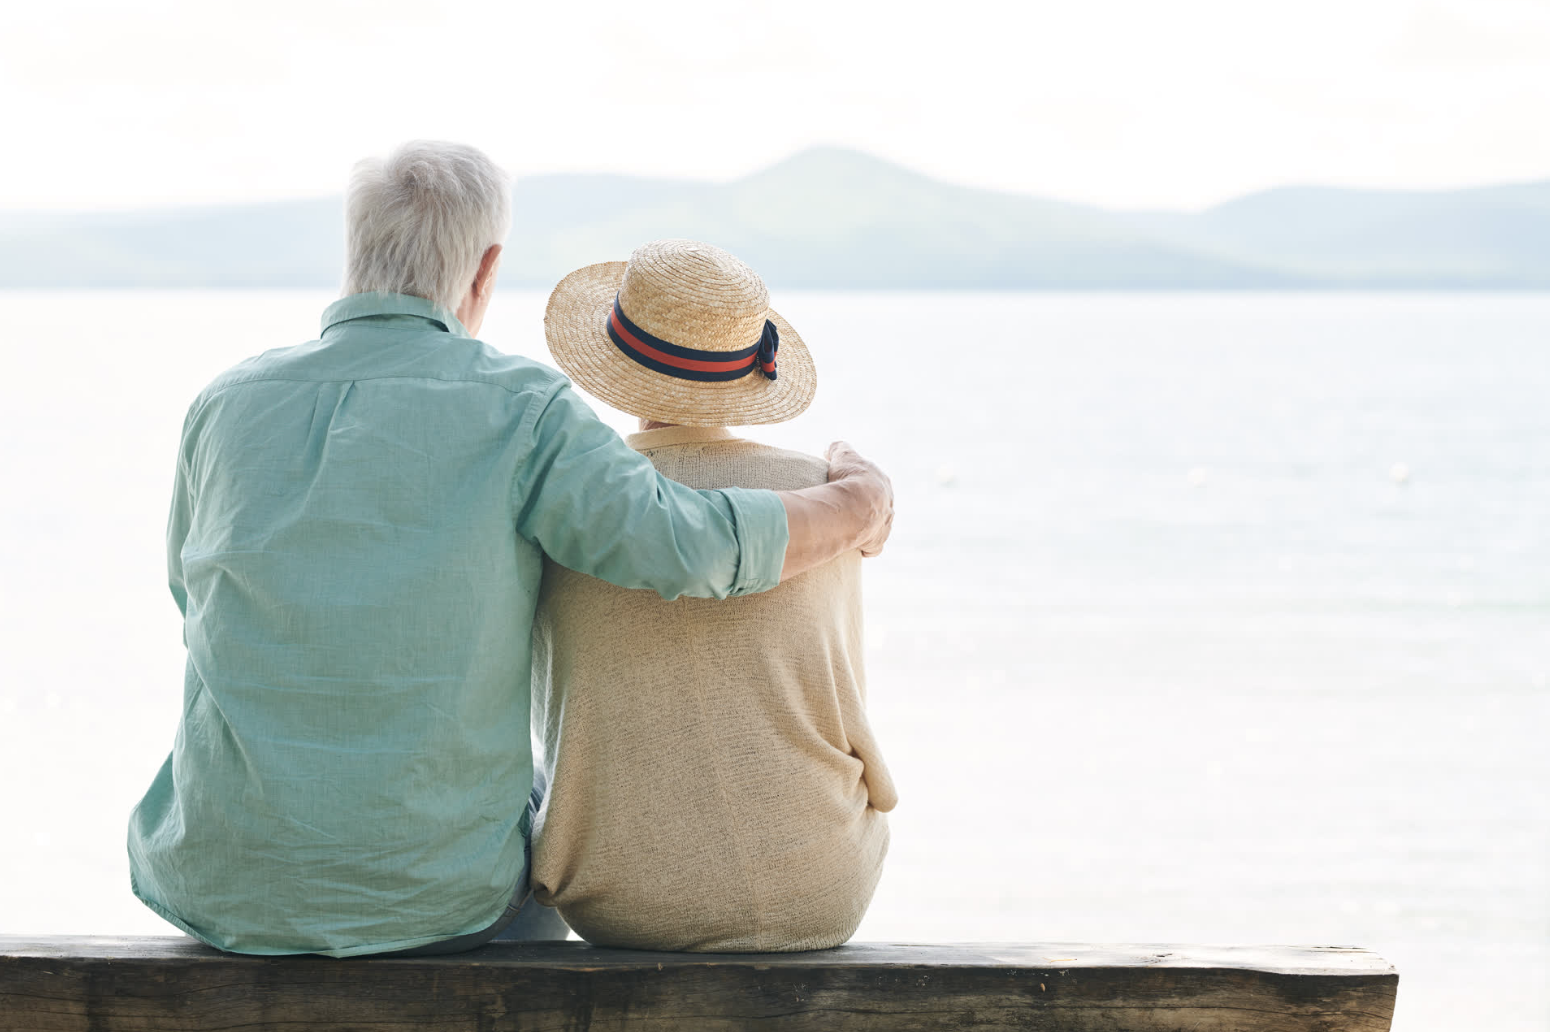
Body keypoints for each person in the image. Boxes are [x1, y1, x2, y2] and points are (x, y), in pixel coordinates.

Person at [126, 142, 894, 958]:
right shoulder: (521, 409)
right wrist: (856, 504)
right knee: (537, 822)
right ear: (487, 269)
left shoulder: (223, 405)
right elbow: (682, 543)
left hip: (220, 881)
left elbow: (190, 597)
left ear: (354, 250)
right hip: (434, 903)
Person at [530, 239, 897, 951]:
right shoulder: (825, 496)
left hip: (618, 893)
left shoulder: (569, 505)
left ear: (616, 366)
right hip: (823, 887)